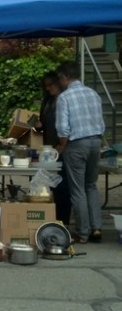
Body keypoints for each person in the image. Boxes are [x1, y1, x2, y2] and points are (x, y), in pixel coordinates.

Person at [55, 61, 105, 244]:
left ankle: (82, 233)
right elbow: (100, 121)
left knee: (77, 190)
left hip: (77, 144)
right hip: (96, 141)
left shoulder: (64, 97)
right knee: (91, 185)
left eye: (60, 79)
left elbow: (63, 128)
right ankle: (96, 228)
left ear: (64, 78)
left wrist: (62, 146)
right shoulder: (93, 94)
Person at [34, 71, 72, 225]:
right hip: (49, 148)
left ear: (58, 83)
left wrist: (62, 144)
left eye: (51, 85)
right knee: (51, 183)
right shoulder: (47, 101)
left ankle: (63, 219)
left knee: (63, 184)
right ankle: (53, 216)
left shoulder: (64, 100)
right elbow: (43, 124)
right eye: (46, 86)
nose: (48, 88)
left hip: (62, 146)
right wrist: (38, 126)